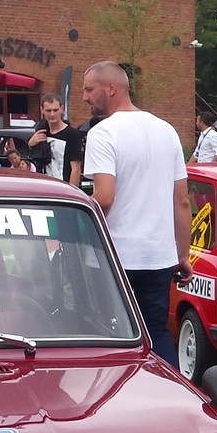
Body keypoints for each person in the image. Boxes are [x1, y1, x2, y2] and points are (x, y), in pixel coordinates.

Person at [83, 61, 189, 364]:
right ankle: (170, 394)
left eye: (89, 89)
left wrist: (74, 209)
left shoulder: (103, 133)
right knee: (155, 331)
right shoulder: (166, 130)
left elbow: (104, 197)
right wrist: (182, 255)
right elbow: (181, 200)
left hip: (115, 255)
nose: (85, 97)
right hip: (158, 256)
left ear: (111, 88)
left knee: (110, 333)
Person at [25, 96, 84, 185]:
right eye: (48, 111)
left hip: (63, 185)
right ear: (42, 110)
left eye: (55, 110)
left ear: (62, 109)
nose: (52, 114)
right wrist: (31, 145)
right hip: (43, 185)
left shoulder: (72, 134)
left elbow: (76, 168)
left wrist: (71, 192)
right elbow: (30, 163)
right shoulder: (41, 132)